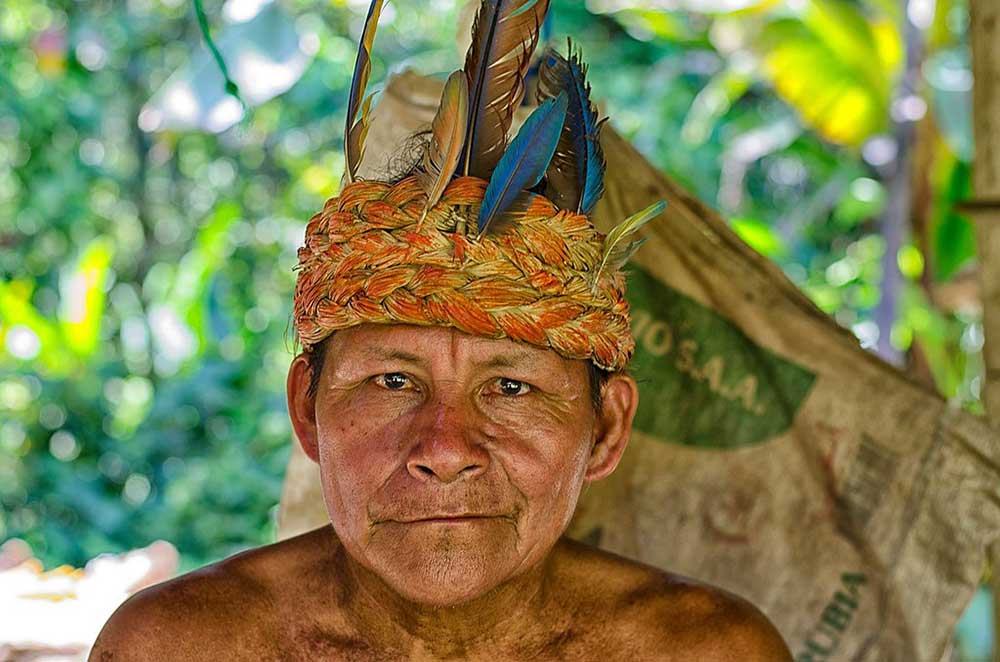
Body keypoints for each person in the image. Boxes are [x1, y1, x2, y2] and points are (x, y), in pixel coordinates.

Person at [91, 1, 792, 659]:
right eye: (393, 381)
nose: (446, 449)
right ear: (307, 408)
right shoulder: (178, 646)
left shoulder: (704, 651)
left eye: (512, 386)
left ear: (606, 428)